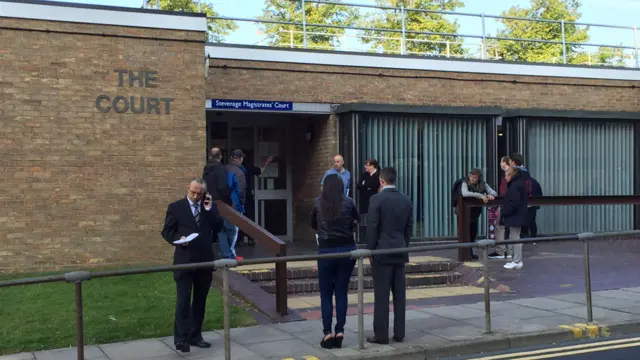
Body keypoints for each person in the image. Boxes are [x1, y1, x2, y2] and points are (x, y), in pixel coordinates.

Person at [161, 177, 223, 353]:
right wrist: (178, 240)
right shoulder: (176, 207)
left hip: (204, 260)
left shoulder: (208, 207)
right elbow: (166, 231)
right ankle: (181, 339)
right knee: (183, 300)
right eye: (193, 192)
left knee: (200, 301)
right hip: (185, 260)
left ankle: (196, 335)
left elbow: (219, 227)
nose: (196, 196)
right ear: (188, 189)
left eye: (199, 193)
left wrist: (210, 210)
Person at [310, 174, 359, 349]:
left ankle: (326, 333)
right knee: (341, 292)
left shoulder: (317, 202)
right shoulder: (348, 202)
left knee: (325, 293)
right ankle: (340, 330)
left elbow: (313, 225)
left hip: (325, 251)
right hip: (347, 250)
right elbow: (357, 220)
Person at [365, 167, 413, 344]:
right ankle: (399, 334)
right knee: (400, 295)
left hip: (382, 253)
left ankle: (381, 335)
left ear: (381, 181)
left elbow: (372, 227)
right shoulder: (406, 200)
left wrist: (370, 250)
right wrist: (404, 245)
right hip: (400, 251)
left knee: (382, 296)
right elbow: (409, 228)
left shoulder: (376, 199)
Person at [460, 168, 496, 260]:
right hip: (464, 212)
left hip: (475, 213)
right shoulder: (465, 182)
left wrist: (490, 195)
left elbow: (494, 192)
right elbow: (465, 193)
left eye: (474, 177)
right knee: (465, 233)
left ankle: (470, 253)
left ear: (479, 178)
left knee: (472, 233)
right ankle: (466, 254)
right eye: (471, 176)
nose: (472, 179)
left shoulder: (483, 183)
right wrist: (480, 195)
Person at [497, 166, 529, 270]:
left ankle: (517, 261)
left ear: (511, 175)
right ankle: (517, 260)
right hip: (518, 215)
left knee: (515, 238)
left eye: (506, 175)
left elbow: (513, 203)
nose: (505, 177)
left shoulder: (515, 186)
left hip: (515, 215)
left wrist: (505, 212)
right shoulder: (519, 184)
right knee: (515, 237)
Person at [219, 149, 247, 261]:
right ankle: (231, 255)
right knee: (233, 231)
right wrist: (242, 204)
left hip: (222, 205)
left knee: (223, 230)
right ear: (240, 158)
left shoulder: (223, 169)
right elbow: (241, 190)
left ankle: (225, 253)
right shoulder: (239, 172)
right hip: (234, 205)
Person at [509, 153, 543, 242]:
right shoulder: (526, 173)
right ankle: (532, 238)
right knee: (531, 221)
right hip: (530, 201)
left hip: (524, 201)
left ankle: (526, 238)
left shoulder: (518, 173)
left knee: (524, 222)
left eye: (510, 161)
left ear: (514, 162)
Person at [488, 156, 513, 260]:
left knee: (499, 226)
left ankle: (501, 251)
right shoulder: (513, 173)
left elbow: (505, 191)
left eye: (501, 162)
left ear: (506, 162)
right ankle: (509, 251)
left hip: (505, 204)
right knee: (510, 227)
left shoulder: (508, 174)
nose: (500, 164)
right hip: (510, 204)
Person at [356, 158, 380, 241]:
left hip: (374, 203)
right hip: (365, 203)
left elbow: (374, 185)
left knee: (374, 221)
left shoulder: (379, 175)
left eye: (367, 165)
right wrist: (367, 187)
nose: (365, 166)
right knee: (365, 222)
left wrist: (365, 185)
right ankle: (365, 239)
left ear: (372, 166)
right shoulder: (364, 175)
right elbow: (358, 186)